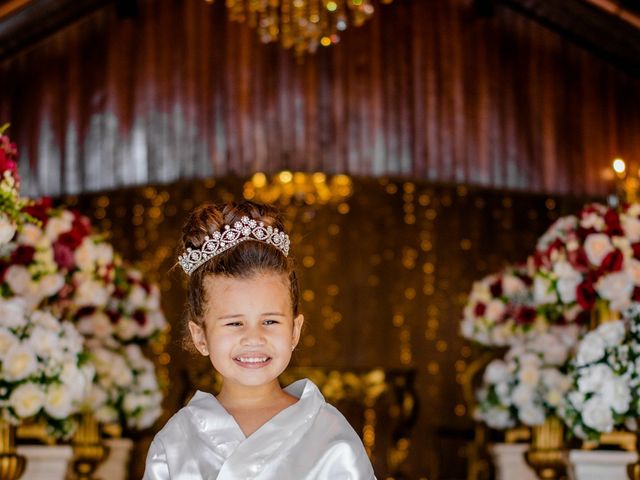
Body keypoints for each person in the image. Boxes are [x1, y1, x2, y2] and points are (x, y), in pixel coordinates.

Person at [143, 201, 376, 479]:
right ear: (201, 336)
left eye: (270, 321)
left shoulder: (331, 434)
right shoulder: (176, 441)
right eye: (234, 323)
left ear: (294, 331)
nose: (253, 337)